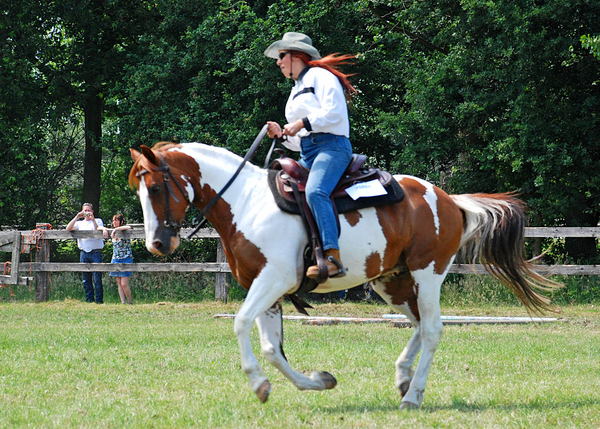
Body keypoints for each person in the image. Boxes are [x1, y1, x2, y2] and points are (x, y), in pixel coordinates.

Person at [264, 32, 357, 279]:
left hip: (333, 147)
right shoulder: (295, 91)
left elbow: (335, 113)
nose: (278, 62)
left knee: (316, 191)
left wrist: (302, 123)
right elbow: (297, 142)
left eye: (281, 56)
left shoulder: (321, 76)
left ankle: (333, 257)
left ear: (296, 56)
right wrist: (281, 136)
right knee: (283, 191)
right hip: (309, 151)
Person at [66, 203, 104, 303]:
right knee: (86, 279)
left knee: (97, 278)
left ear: (92, 211)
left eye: (89, 210)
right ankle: (89, 299)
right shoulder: (79, 223)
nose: (87, 213)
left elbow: (98, 230)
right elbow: (68, 228)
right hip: (84, 252)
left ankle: (99, 301)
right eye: (85, 211)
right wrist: (77, 216)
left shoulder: (98, 221)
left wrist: (93, 219)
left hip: (96, 252)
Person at [101, 214, 134, 305]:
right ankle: (123, 302)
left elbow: (129, 227)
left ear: (121, 221)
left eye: (116, 220)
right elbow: (98, 227)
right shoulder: (111, 231)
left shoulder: (124, 231)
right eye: (113, 220)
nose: (114, 222)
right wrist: (104, 229)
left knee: (124, 283)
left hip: (126, 258)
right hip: (115, 258)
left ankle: (129, 301)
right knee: (119, 282)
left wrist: (116, 229)